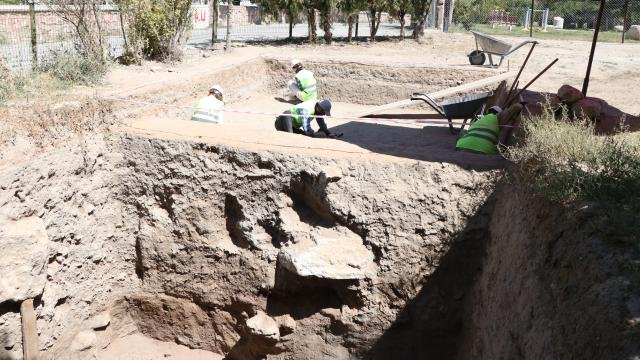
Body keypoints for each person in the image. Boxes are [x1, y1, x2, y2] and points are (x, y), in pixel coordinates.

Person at [275, 99, 342, 138]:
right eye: (323, 112)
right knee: (292, 137)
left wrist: (328, 133)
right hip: (282, 121)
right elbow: (307, 129)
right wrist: (315, 134)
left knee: (302, 135)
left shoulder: (317, 109)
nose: (324, 114)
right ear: (318, 107)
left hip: (293, 126)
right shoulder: (307, 109)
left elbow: (321, 122)